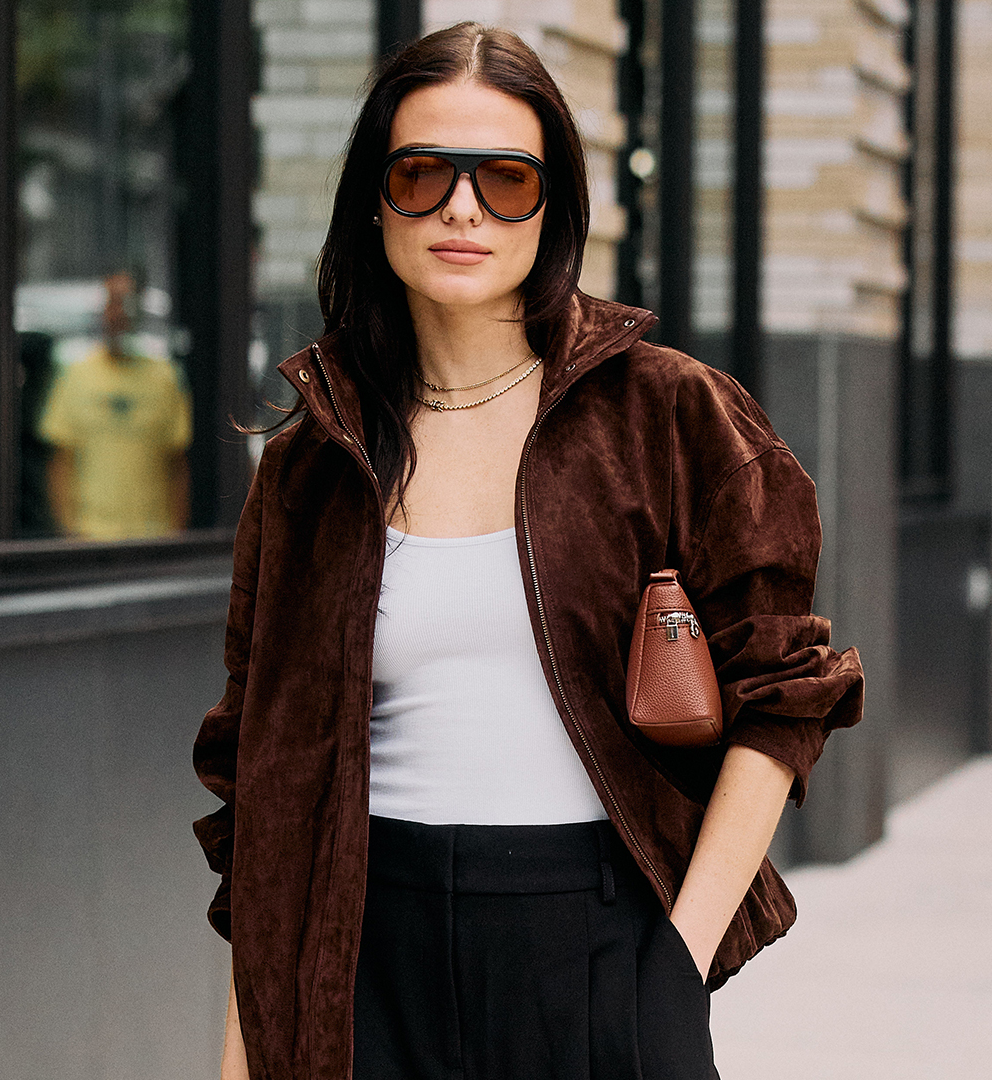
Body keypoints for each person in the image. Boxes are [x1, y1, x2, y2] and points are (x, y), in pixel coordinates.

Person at [193, 23, 863, 1080]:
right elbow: (264, 791)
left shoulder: (666, 416)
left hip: (593, 946)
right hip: (362, 956)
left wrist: (675, 963)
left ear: (551, 209)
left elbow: (784, 696)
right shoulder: (316, 463)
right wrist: (243, 1053)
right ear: (375, 201)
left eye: (506, 178)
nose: (462, 209)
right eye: (421, 175)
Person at [38, 270, 191, 540]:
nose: (119, 314)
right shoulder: (76, 375)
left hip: (152, 536)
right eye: (113, 303)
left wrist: (175, 533)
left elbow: (178, 463)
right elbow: (60, 461)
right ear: (102, 309)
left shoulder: (163, 377)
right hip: (91, 535)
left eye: (126, 304)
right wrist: (68, 530)